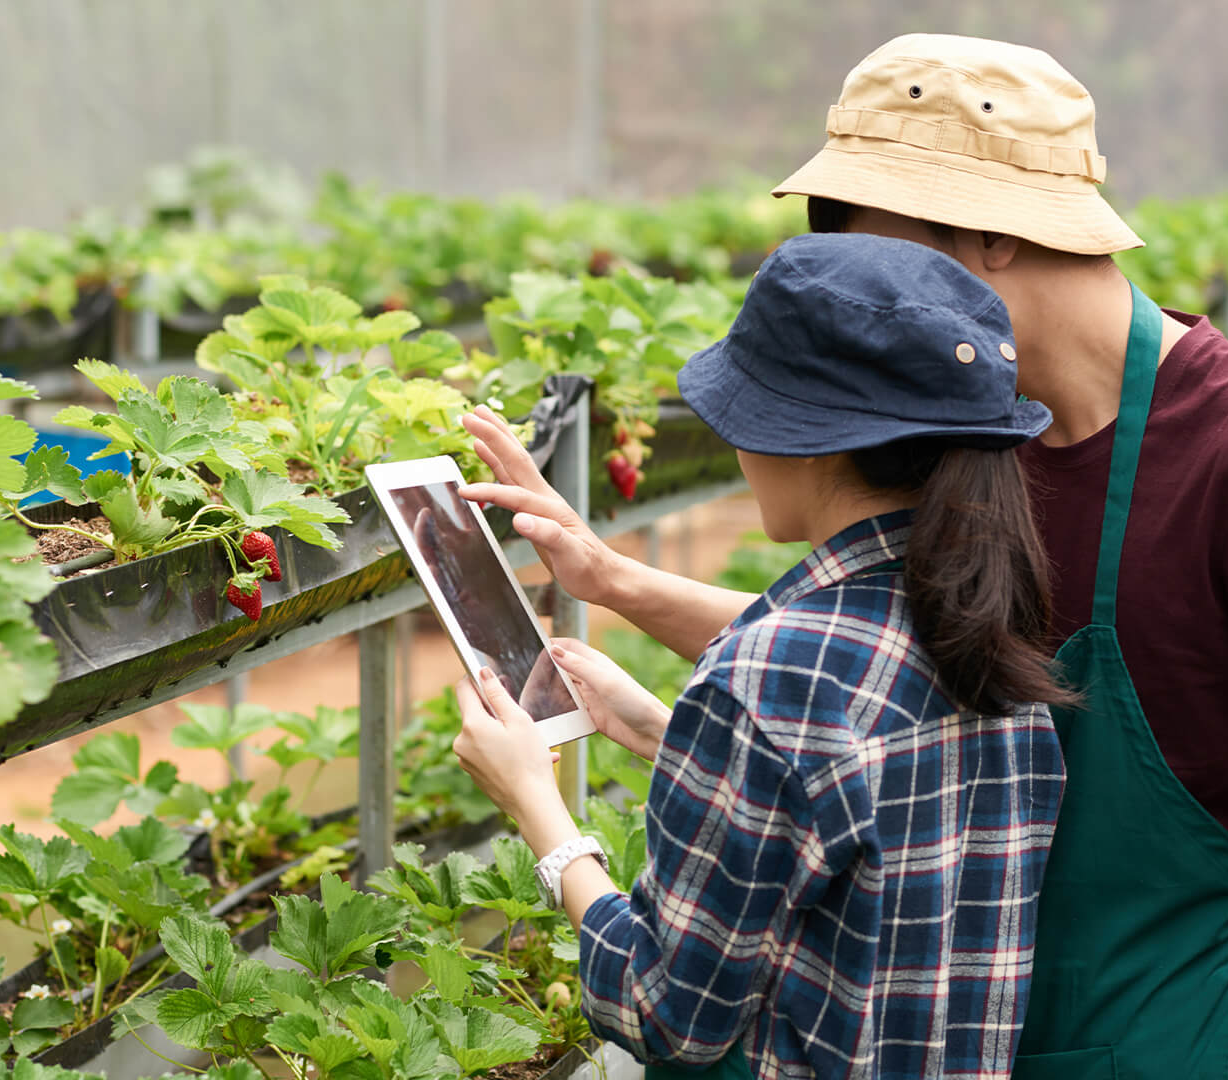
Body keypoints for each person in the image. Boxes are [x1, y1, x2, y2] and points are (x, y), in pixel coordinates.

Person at [460, 33, 1228, 1080]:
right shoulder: (964, 436)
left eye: (865, 232)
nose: (852, 272)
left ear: (988, 232)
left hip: (1165, 1038)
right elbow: (884, 662)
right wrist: (612, 580)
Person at [453, 231, 1068, 1079]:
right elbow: (860, 834)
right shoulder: (988, 620)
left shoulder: (769, 680)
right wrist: (669, 734)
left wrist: (535, 805)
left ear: (808, 439)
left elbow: (667, 1013)